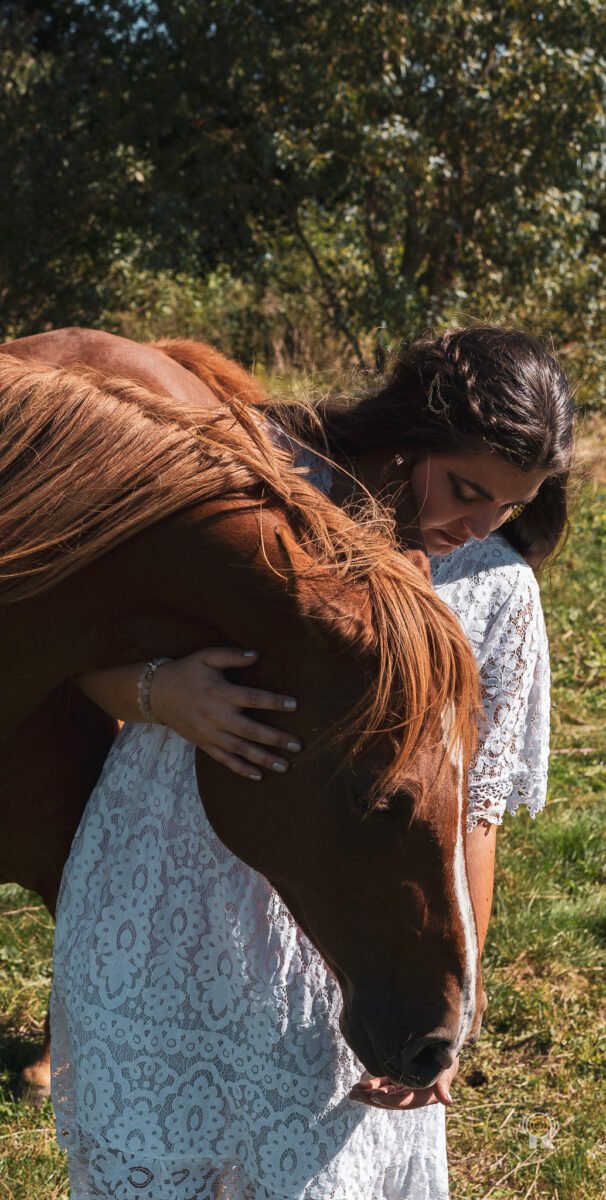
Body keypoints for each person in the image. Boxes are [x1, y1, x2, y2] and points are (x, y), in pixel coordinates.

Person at [51, 326, 574, 1199]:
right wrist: (157, 694)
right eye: (466, 489)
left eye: (509, 508)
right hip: (158, 904)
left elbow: (471, 818)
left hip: (342, 957)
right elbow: (72, 642)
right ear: (408, 434)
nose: (478, 525)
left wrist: (454, 1007)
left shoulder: (493, 587)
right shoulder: (253, 491)